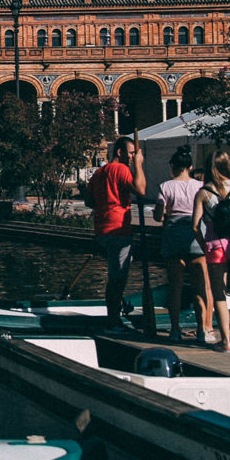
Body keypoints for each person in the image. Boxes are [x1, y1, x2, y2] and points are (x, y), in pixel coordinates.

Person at [87, 135, 147, 326]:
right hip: (118, 228)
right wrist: (138, 165)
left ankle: (114, 312)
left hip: (102, 228)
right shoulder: (121, 169)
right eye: (130, 153)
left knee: (116, 273)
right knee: (118, 276)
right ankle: (113, 319)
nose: (132, 157)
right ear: (120, 152)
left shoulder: (99, 173)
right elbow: (141, 189)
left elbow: (89, 201)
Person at [194, 151, 230, 352]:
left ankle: (226, 341)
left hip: (215, 245)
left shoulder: (204, 192)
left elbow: (195, 225)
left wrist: (204, 245)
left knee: (219, 293)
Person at [157, 146, 213, 344]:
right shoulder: (201, 186)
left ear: (172, 165)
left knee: (175, 286)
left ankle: (174, 329)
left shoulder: (165, 186)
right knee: (200, 286)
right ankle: (202, 329)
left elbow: (158, 214)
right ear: (190, 166)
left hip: (173, 234)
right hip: (196, 233)